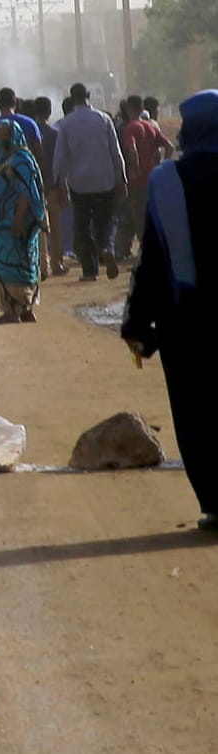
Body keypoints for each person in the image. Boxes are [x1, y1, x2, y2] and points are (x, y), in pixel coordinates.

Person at [122, 89, 218, 532]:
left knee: (196, 409)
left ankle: (216, 501)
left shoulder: (166, 182)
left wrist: (137, 323)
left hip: (188, 320)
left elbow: (153, 259)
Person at [53, 83, 128, 282]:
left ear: (72, 97)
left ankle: (90, 271)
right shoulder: (104, 119)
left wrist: (60, 183)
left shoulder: (66, 124)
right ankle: (106, 248)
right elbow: (116, 152)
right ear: (88, 96)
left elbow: (60, 158)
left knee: (82, 226)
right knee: (107, 221)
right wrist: (122, 179)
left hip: (79, 184)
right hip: (105, 181)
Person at [0, 121, 47, 324]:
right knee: (20, 263)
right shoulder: (7, 158)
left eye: (4, 135)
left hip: (14, 224)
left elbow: (28, 192)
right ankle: (24, 308)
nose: (1, 139)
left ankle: (14, 310)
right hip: (3, 225)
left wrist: (18, 218)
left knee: (16, 264)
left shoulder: (21, 159)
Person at [118, 95, 175, 260]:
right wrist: (163, 165)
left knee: (139, 217)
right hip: (154, 178)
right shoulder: (151, 126)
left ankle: (148, 253)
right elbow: (169, 146)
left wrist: (135, 169)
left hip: (138, 182)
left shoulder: (131, 127)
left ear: (129, 108)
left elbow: (132, 149)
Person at [0, 87, 44, 209]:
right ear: (15, 103)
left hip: (1, 183)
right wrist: (43, 184)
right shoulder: (30, 124)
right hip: (26, 181)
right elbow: (40, 156)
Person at [32, 97, 68, 278]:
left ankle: (40, 264)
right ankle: (57, 263)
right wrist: (64, 186)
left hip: (33, 186)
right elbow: (60, 163)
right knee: (55, 225)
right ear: (49, 112)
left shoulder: (29, 132)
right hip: (52, 184)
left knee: (37, 226)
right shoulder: (55, 133)